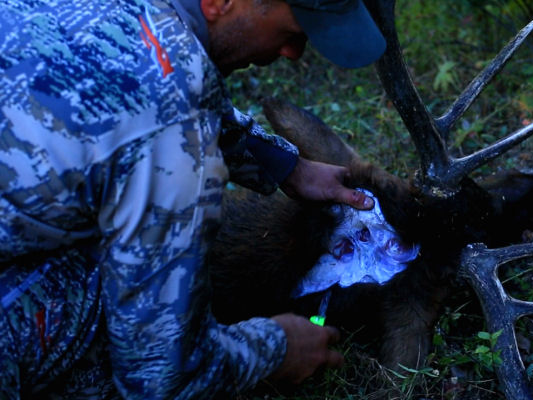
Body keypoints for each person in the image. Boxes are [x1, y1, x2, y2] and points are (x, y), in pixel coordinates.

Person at [0, 0, 386, 397]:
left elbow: (139, 83)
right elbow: (159, 378)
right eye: (292, 33)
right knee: (119, 306)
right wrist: (276, 349)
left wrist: (284, 165)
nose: (292, 53)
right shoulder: (178, 144)